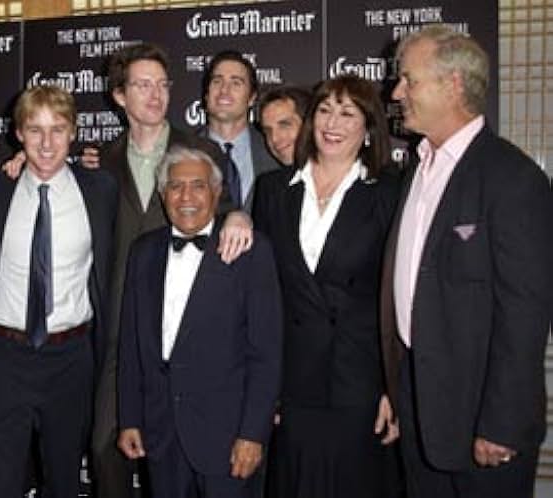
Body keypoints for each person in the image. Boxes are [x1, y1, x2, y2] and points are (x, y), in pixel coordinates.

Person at [381, 24, 553, 498]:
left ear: (452, 84)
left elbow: (525, 312)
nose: (397, 92)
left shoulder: (512, 178)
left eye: (409, 80)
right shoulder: (416, 168)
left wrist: (501, 422)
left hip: (482, 421)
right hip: (418, 412)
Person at [91, 42, 253, 498]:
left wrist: (240, 214)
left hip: (181, 343)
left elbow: (230, 216)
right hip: (113, 339)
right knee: (106, 450)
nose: (156, 95)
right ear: (120, 96)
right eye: (143, 85)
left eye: (162, 85)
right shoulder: (99, 164)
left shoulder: (200, 152)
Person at [252, 74, 401, 498]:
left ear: (369, 128)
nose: (333, 123)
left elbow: (399, 298)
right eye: (324, 110)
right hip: (293, 384)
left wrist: (394, 388)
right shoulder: (272, 191)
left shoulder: (390, 191)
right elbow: (265, 299)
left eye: (348, 113)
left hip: (359, 384)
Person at [0, 84, 117, 498]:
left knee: (64, 480)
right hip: (4, 357)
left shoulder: (101, 190)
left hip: (70, 359)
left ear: (73, 131)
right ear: (18, 133)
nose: (47, 142)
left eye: (57, 128)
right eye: (34, 130)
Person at [117, 145, 282, 498]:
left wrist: (253, 433)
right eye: (175, 187)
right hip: (161, 434)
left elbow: (266, 353)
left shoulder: (250, 251)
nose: (186, 197)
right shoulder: (143, 252)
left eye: (198, 186)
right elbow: (131, 346)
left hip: (228, 437)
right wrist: (130, 417)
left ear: (217, 192)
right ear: (163, 195)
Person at [198, 50, 280, 212]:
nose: (224, 90)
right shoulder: (183, 151)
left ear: (251, 98)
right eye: (217, 81)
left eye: (236, 83)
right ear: (206, 95)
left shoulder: (275, 150)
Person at [258, 84, 312, 169]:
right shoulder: (269, 181)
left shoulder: (339, 178)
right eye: (268, 131)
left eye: (284, 125)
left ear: (310, 124)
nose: (274, 138)